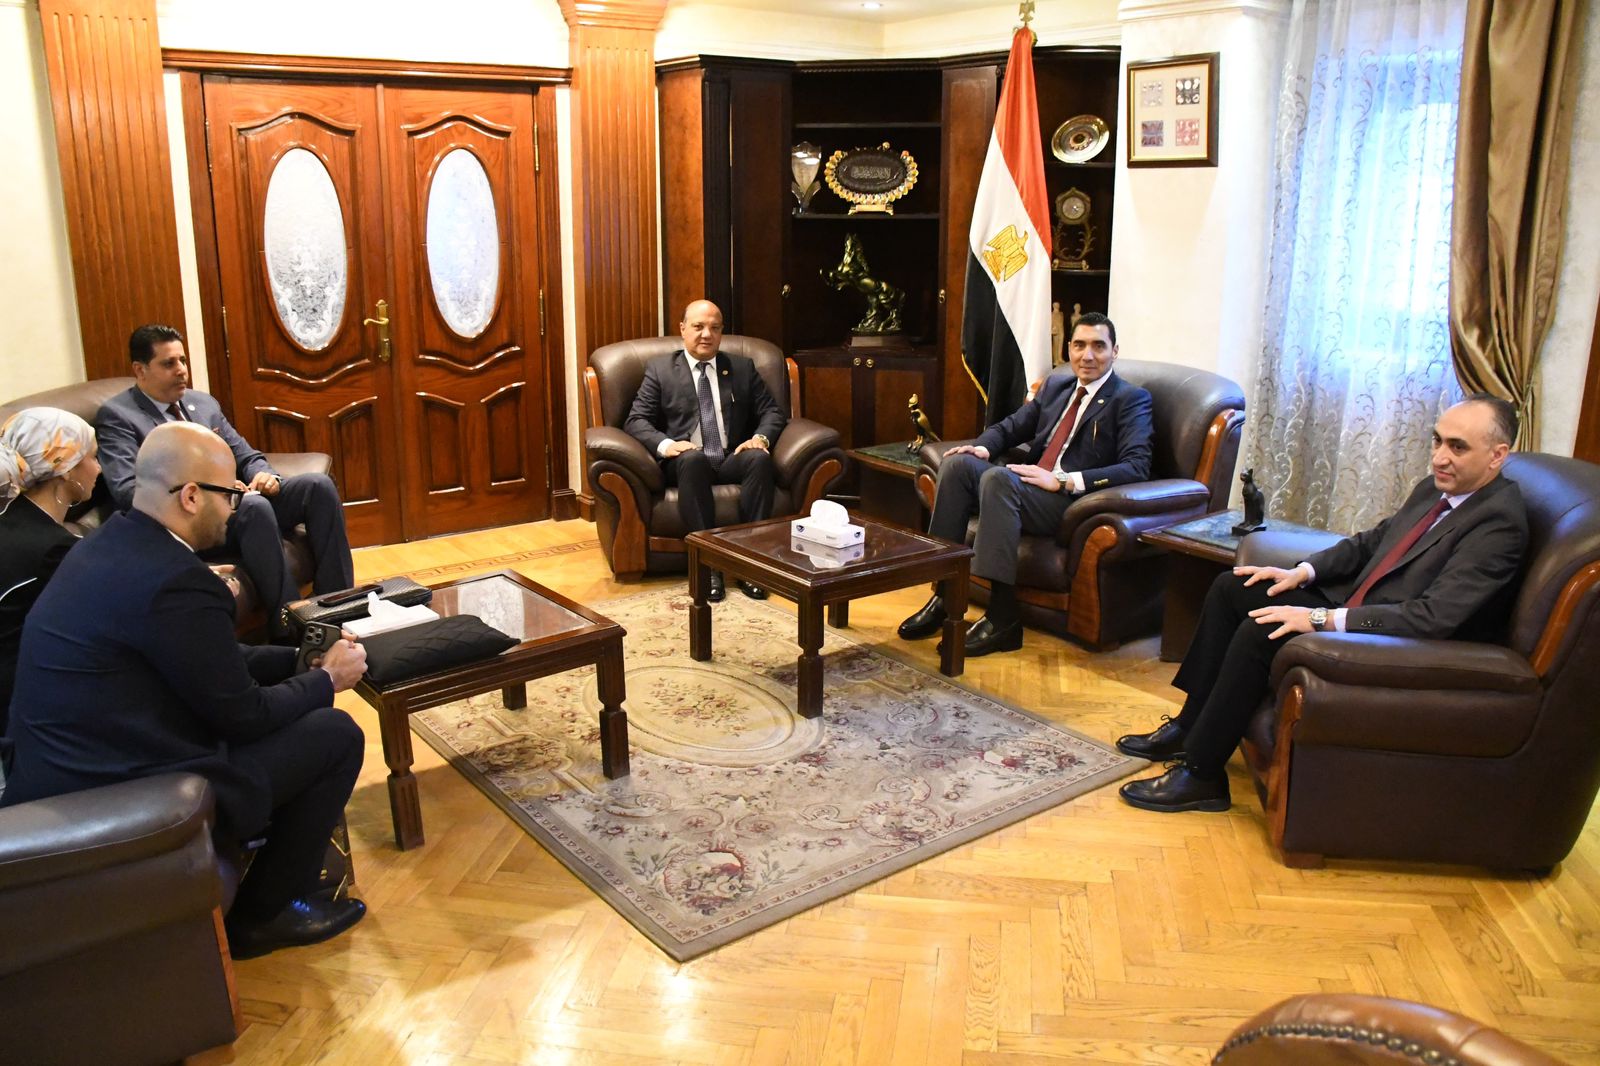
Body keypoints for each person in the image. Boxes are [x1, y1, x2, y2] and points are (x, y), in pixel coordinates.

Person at [1, 422, 370, 958]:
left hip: (63, 763)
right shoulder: (177, 580)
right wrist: (325, 679)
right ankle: (263, 917)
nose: (235, 508)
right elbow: (244, 715)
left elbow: (205, 662)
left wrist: (297, 659)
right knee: (335, 734)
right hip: (117, 782)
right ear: (191, 495)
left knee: (304, 712)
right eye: (229, 494)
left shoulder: (107, 543)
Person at [1116, 395, 1528, 814]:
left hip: (1398, 644)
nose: (1440, 457)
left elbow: (1432, 618)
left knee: (1264, 627)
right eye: (1437, 441)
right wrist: (1303, 572)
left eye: (1457, 447)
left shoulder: (1498, 524)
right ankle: (1189, 727)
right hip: (1356, 606)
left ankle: (1202, 775)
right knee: (1233, 587)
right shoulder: (1438, 489)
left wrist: (1319, 618)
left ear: (1497, 456)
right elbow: (1372, 542)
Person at [899, 312, 1154, 656]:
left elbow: (1137, 467)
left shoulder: (1131, 399)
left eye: (1098, 346)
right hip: (1027, 487)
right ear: (1069, 348)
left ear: (1115, 351)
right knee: (958, 465)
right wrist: (983, 447)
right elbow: (1011, 426)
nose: (1087, 355)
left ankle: (1003, 618)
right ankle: (944, 596)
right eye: (1079, 345)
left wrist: (1063, 480)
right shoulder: (1057, 387)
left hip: (1071, 503)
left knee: (999, 479)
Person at [96, 324, 354, 640]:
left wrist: (263, 474)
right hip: (193, 518)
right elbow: (127, 490)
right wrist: (222, 492)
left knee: (317, 487)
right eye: (168, 363)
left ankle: (337, 608)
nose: (181, 370)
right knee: (255, 507)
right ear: (140, 370)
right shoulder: (118, 416)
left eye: (182, 360)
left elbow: (245, 454)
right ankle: (292, 626)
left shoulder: (203, 404)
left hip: (237, 500)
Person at [624, 299, 787, 602]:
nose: (706, 334)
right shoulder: (660, 369)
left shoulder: (741, 367)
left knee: (757, 459)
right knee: (694, 459)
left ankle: (751, 563)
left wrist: (760, 438)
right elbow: (636, 420)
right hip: (686, 461)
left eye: (714, 328)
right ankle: (708, 565)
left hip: (728, 456)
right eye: (698, 326)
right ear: (683, 329)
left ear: (721, 332)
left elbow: (772, 412)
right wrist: (667, 445)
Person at [0, 408, 100, 731]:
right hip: (25, 713)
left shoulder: (10, 519)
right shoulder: (53, 550)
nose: (99, 468)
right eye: (93, 457)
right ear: (66, 470)